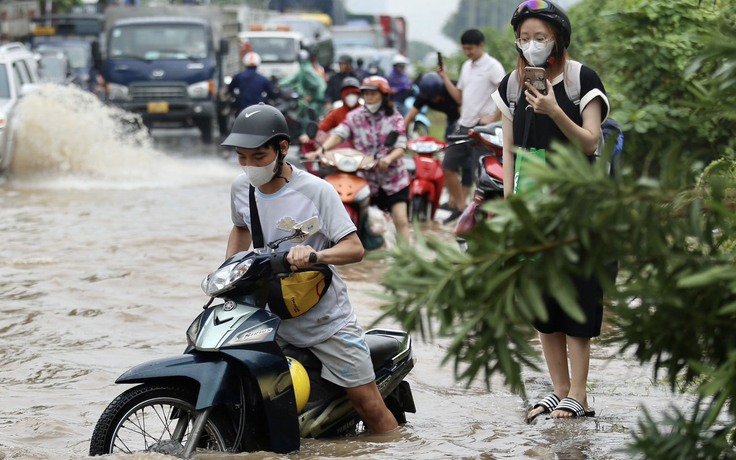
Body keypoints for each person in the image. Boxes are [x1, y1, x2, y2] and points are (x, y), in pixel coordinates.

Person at [221, 103, 399, 434]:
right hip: (272, 316)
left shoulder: (317, 190)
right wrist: (229, 269)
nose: (249, 166)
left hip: (325, 321)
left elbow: (354, 248)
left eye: (258, 157)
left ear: (282, 149)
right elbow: (241, 228)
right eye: (241, 157)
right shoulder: (240, 187)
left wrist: (314, 256)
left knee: (370, 406)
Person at [490, 1, 610, 421]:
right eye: (525, 38)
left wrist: (554, 109)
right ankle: (559, 390)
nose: (532, 44)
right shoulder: (511, 85)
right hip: (531, 202)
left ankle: (580, 393)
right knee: (542, 302)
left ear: (558, 37)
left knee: (577, 295)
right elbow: (509, 150)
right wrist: (509, 205)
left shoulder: (580, 80)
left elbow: (591, 143)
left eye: (540, 37)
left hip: (577, 204)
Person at [318, 76, 411, 241]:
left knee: (401, 220)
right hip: (366, 180)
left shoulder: (395, 117)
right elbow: (340, 133)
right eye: (366, 93)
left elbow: (401, 146)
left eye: (373, 94)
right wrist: (323, 149)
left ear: (384, 95)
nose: (368, 97)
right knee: (358, 224)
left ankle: (407, 259)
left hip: (394, 180)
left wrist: (388, 159)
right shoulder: (355, 116)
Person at [438, 29, 506, 224]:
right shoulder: (467, 66)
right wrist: (444, 77)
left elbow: (505, 92)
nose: (468, 52)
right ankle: (460, 207)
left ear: (481, 45)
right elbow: (459, 97)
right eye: (465, 49)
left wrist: (494, 117)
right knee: (448, 166)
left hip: (482, 130)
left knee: (481, 175)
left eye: (471, 48)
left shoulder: (493, 66)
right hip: (463, 126)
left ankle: (482, 216)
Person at [300, 76, 362, 148]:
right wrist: (309, 136)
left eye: (354, 93)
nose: (351, 97)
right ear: (342, 95)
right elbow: (323, 126)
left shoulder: (364, 113)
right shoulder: (337, 112)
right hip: (341, 149)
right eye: (347, 94)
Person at [404, 71, 460, 141]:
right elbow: (410, 116)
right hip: (451, 116)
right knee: (449, 139)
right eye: (430, 98)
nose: (433, 100)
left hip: (462, 114)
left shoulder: (451, 89)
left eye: (434, 97)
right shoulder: (424, 96)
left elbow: (462, 106)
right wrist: (401, 134)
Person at [279, 50, 326, 132]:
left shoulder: (306, 70)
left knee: (307, 118)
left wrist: (310, 95)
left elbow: (315, 85)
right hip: (313, 98)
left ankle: (306, 136)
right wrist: (280, 83)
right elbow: (292, 79)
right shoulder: (305, 69)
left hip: (316, 100)